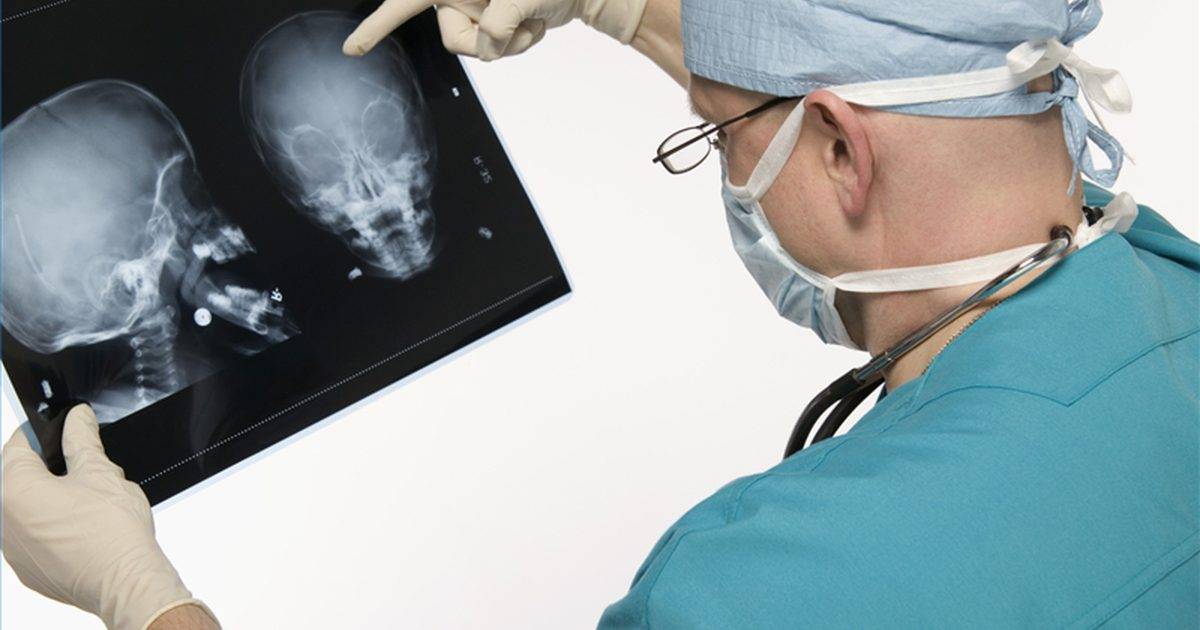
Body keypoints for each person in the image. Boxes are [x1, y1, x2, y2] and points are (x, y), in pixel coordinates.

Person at [4, 0, 1197, 627]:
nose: (728, 164)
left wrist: (144, 603)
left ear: (842, 146)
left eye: (719, 133)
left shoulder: (753, 596)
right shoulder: (1170, 283)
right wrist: (637, 13)